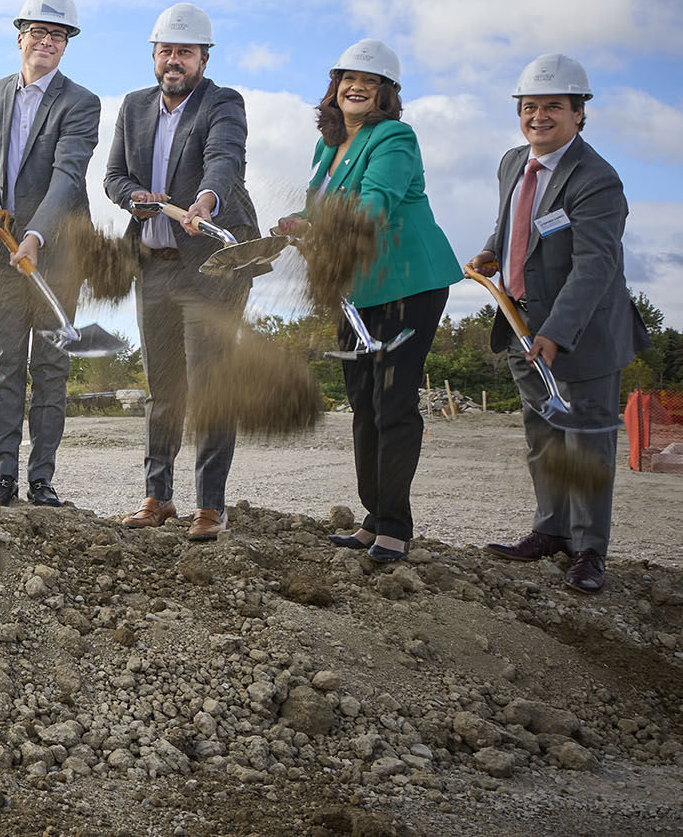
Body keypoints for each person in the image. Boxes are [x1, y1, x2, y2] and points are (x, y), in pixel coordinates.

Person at [273, 40, 460, 563]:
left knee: (392, 403)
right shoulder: (326, 146)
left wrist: (323, 225)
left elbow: (374, 203)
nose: (356, 86)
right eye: (348, 78)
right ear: (334, 87)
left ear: (386, 93)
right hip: (355, 291)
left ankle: (396, 526)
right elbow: (324, 209)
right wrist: (301, 223)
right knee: (362, 401)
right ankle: (373, 516)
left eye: (370, 80)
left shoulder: (395, 138)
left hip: (407, 285)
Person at [471, 53, 650, 594]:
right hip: (523, 325)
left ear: (578, 114)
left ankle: (589, 550)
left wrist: (555, 333)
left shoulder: (595, 179)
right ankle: (551, 531)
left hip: (582, 335)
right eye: (530, 107)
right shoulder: (512, 162)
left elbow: (596, 265)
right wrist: (489, 252)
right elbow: (514, 222)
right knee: (545, 437)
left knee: (586, 444)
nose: (539, 116)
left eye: (553, 107)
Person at [102, 3, 259, 542]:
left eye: (185, 53)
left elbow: (225, 158)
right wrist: (134, 197)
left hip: (213, 265)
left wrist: (207, 201)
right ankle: (158, 497)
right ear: (153, 55)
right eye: (166, 51)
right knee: (163, 388)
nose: (175, 61)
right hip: (155, 265)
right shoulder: (133, 106)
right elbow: (114, 175)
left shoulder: (223, 103)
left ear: (203, 58)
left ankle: (210, 506)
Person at [0, 0, 102, 508]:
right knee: (6, 365)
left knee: (50, 367)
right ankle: (2, 478)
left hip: (60, 255)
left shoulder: (81, 103)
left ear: (65, 46)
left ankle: (41, 480)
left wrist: (36, 236)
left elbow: (68, 179)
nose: (46, 41)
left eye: (57, 35)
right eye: (38, 32)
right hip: (2, 251)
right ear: (19, 36)